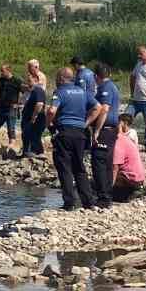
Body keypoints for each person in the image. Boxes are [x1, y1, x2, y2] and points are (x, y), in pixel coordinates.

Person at [48, 66, 97, 210]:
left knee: (65, 167)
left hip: (64, 131)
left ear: (62, 79)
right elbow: (98, 108)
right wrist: (85, 123)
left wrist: (48, 124)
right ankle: (88, 201)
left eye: (57, 78)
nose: (56, 81)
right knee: (79, 167)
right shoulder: (83, 92)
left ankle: (69, 203)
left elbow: (52, 110)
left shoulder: (60, 92)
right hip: (80, 133)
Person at [86, 62, 122, 206]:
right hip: (111, 130)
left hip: (105, 130)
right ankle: (107, 196)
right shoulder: (113, 86)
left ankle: (103, 197)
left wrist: (97, 130)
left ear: (96, 76)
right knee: (106, 162)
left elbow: (104, 109)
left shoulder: (105, 88)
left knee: (99, 162)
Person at [111, 126, 146, 202]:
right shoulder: (125, 139)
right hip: (138, 178)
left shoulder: (118, 142)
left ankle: (127, 193)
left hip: (130, 180)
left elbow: (115, 167)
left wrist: (109, 187)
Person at [21, 61, 48, 157]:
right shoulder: (33, 88)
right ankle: (27, 152)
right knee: (27, 134)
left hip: (36, 115)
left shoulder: (39, 87)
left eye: (30, 81)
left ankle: (38, 153)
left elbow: (39, 103)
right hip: (30, 112)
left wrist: (33, 117)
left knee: (34, 135)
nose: (28, 83)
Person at [0, 63, 22, 145]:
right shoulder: (1, 80)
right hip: (1, 109)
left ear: (8, 71)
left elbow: (25, 94)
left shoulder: (17, 81)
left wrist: (19, 104)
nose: (1, 73)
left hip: (11, 109)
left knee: (11, 131)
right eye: (1, 71)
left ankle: (11, 149)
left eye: (2, 71)